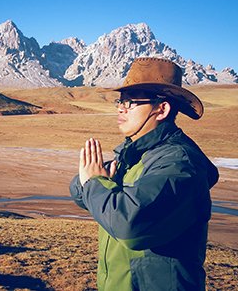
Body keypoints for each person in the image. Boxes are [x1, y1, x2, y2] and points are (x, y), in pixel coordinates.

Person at [70, 57, 219, 290]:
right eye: (120, 100)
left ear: (162, 109)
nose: (121, 107)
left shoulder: (178, 164)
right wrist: (91, 181)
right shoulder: (134, 156)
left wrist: (95, 181)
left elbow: (130, 225)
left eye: (131, 102)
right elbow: (82, 193)